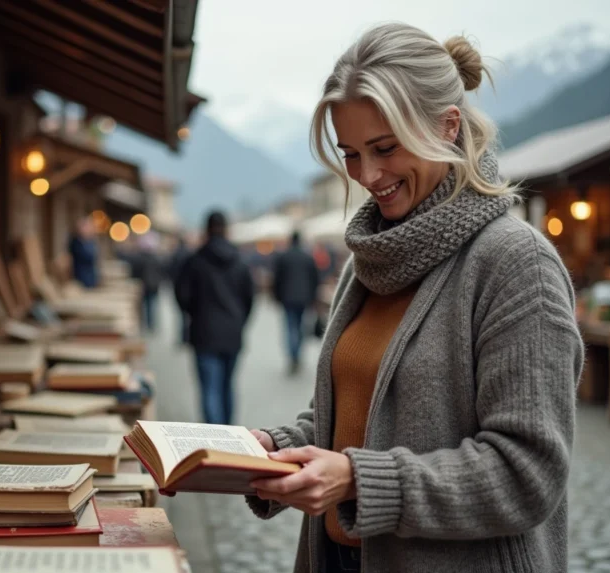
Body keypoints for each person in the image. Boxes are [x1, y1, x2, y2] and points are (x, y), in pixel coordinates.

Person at [245, 24, 583, 573]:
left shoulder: (517, 264)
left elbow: (526, 474)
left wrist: (357, 479)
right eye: (351, 153)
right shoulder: (370, 261)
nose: (368, 175)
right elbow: (358, 415)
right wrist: (274, 447)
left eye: (384, 147)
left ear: (447, 126)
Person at [175, 211, 254, 425]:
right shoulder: (240, 260)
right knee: (228, 386)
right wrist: (239, 321)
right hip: (232, 332)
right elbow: (249, 298)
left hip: (204, 331)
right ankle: (229, 436)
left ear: (206, 229)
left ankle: (213, 439)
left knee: (210, 388)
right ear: (226, 229)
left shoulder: (194, 260)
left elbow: (182, 296)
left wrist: (195, 314)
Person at [272, 231, 320, 374]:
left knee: (290, 327)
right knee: (299, 327)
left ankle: (293, 356)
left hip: (287, 298)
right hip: (304, 298)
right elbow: (314, 279)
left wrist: (277, 297)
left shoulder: (283, 257)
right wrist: (313, 297)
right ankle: (297, 354)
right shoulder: (307, 257)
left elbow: (277, 279)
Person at [130, 232, 164, 333]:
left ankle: (147, 324)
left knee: (145, 305)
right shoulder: (156, 258)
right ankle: (151, 325)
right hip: (153, 285)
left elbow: (136, 271)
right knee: (151, 305)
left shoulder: (140, 258)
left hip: (145, 284)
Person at [166, 235, 192, 344]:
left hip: (178, 286)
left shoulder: (176, 254)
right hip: (188, 287)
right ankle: (186, 336)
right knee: (187, 316)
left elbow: (171, 270)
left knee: (181, 314)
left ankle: (183, 336)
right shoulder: (189, 255)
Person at [68, 216, 100, 288]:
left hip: (90, 277)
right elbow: (88, 256)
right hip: (81, 277)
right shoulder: (76, 242)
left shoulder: (90, 241)